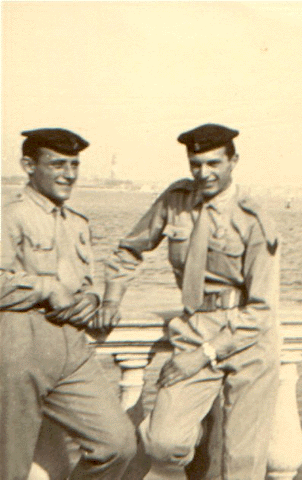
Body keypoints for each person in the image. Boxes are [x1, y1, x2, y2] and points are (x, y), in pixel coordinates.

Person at [102, 123, 280, 479]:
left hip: (247, 340)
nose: (204, 173)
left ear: (234, 162)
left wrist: (207, 354)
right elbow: (131, 248)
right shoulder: (176, 201)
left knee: (241, 461)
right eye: (196, 164)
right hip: (195, 328)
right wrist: (111, 297)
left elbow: (262, 310)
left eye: (214, 163)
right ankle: (199, 433)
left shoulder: (254, 219)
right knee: (162, 442)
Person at [0, 128, 137, 480]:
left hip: (72, 351)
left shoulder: (77, 224)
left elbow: (85, 281)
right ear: (28, 166)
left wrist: (92, 298)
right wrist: (46, 287)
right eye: (58, 164)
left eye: (74, 164)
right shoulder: (9, 217)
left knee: (117, 444)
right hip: (19, 347)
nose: (70, 174)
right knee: (10, 465)